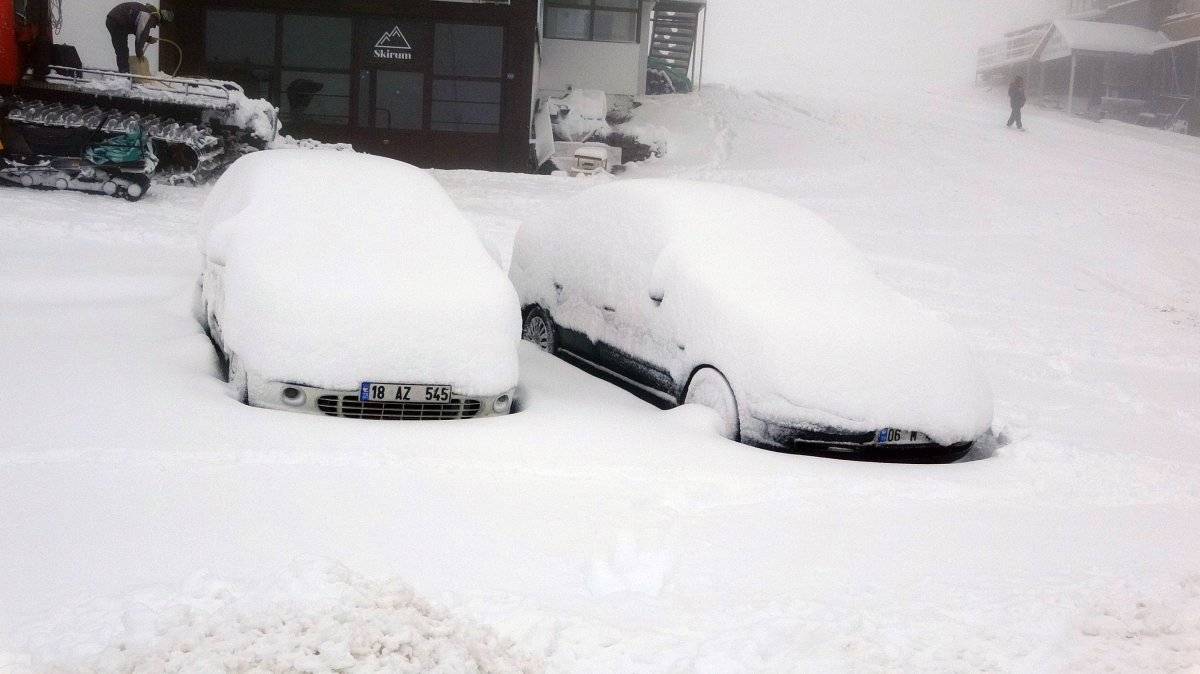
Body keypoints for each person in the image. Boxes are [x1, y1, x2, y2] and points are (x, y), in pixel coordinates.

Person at [105, 3, 163, 74]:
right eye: (156, 24)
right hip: (117, 21)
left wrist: (148, 38)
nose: (154, 26)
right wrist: (139, 53)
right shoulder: (146, 16)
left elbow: (138, 31)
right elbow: (141, 35)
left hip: (113, 20)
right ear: (155, 18)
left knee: (121, 49)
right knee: (122, 50)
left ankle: (124, 72)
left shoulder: (143, 12)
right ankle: (125, 74)